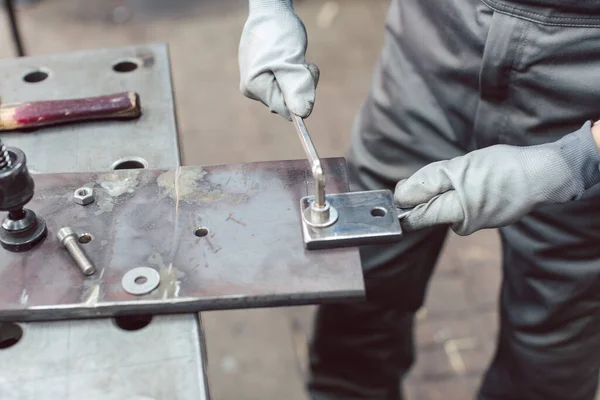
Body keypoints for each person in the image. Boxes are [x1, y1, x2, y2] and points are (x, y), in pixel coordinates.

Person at [238, 0, 600, 399]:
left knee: (548, 350)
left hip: (583, 77)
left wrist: (577, 159)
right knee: (361, 296)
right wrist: (270, 8)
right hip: (431, 44)